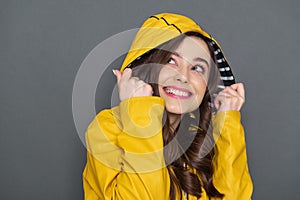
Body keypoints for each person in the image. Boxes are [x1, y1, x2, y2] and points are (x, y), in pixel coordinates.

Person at [83, 13, 253, 200]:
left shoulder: (200, 139)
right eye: (171, 61)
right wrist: (140, 111)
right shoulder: (107, 128)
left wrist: (228, 121)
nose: (183, 76)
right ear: (148, 66)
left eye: (197, 68)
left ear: (206, 87)